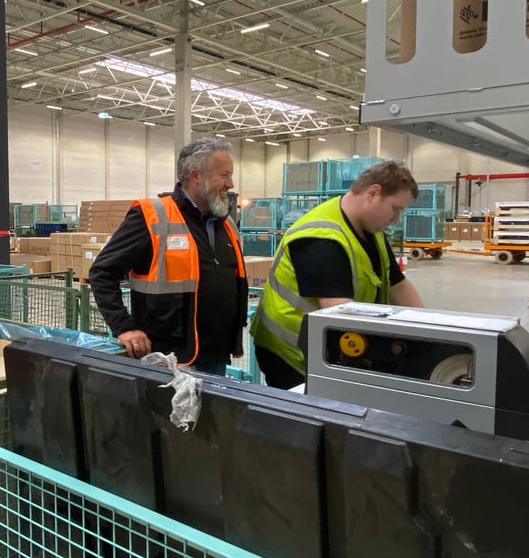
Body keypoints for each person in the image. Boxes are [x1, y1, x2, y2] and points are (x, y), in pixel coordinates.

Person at [251, 160, 425, 389]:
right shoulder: (321, 237)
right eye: (396, 208)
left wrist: (428, 331)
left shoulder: (372, 230)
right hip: (292, 355)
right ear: (373, 193)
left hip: (328, 347)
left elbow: (398, 285)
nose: (397, 218)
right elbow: (340, 312)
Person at [88, 137, 248, 376]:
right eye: (224, 175)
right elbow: (102, 271)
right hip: (169, 360)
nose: (230, 183)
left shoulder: (226, 225)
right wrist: (124, 327)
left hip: (216, 355)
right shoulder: (152, 216)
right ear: (196, 176)